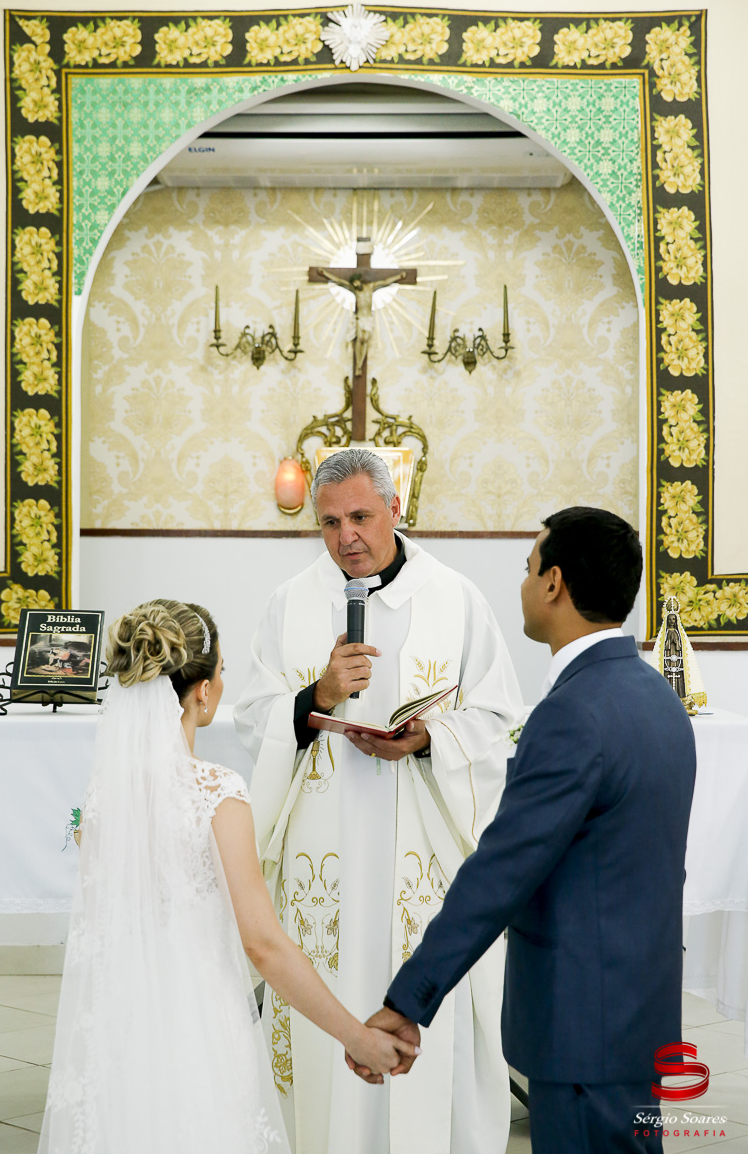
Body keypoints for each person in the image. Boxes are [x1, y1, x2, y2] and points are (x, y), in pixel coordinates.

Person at [365, 507, 696, 1154]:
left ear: (554, 583)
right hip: (639, 1014)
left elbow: (502, 872)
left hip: (581, 1028)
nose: (521, 585)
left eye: (527, 568)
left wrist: (408, 1000)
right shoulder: (656, 696)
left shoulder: (572, 713)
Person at [39, 598, 416, 1154]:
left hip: (117, 1034)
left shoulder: (101, 799)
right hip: (198, 1033)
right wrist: (355, 1036)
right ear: (205, 691)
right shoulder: (217, 793)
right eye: (221, 670)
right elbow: (264, 945)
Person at [234, 449, 523, 1154]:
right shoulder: (291, 602)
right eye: (329, 523)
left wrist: (428, 740)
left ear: (396, 509)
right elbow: (253, 716)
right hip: (322, 853)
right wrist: (318, 698)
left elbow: (498, 719)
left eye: (361, 517)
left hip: (421, 848)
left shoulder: (455, 599)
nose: (346, 537)